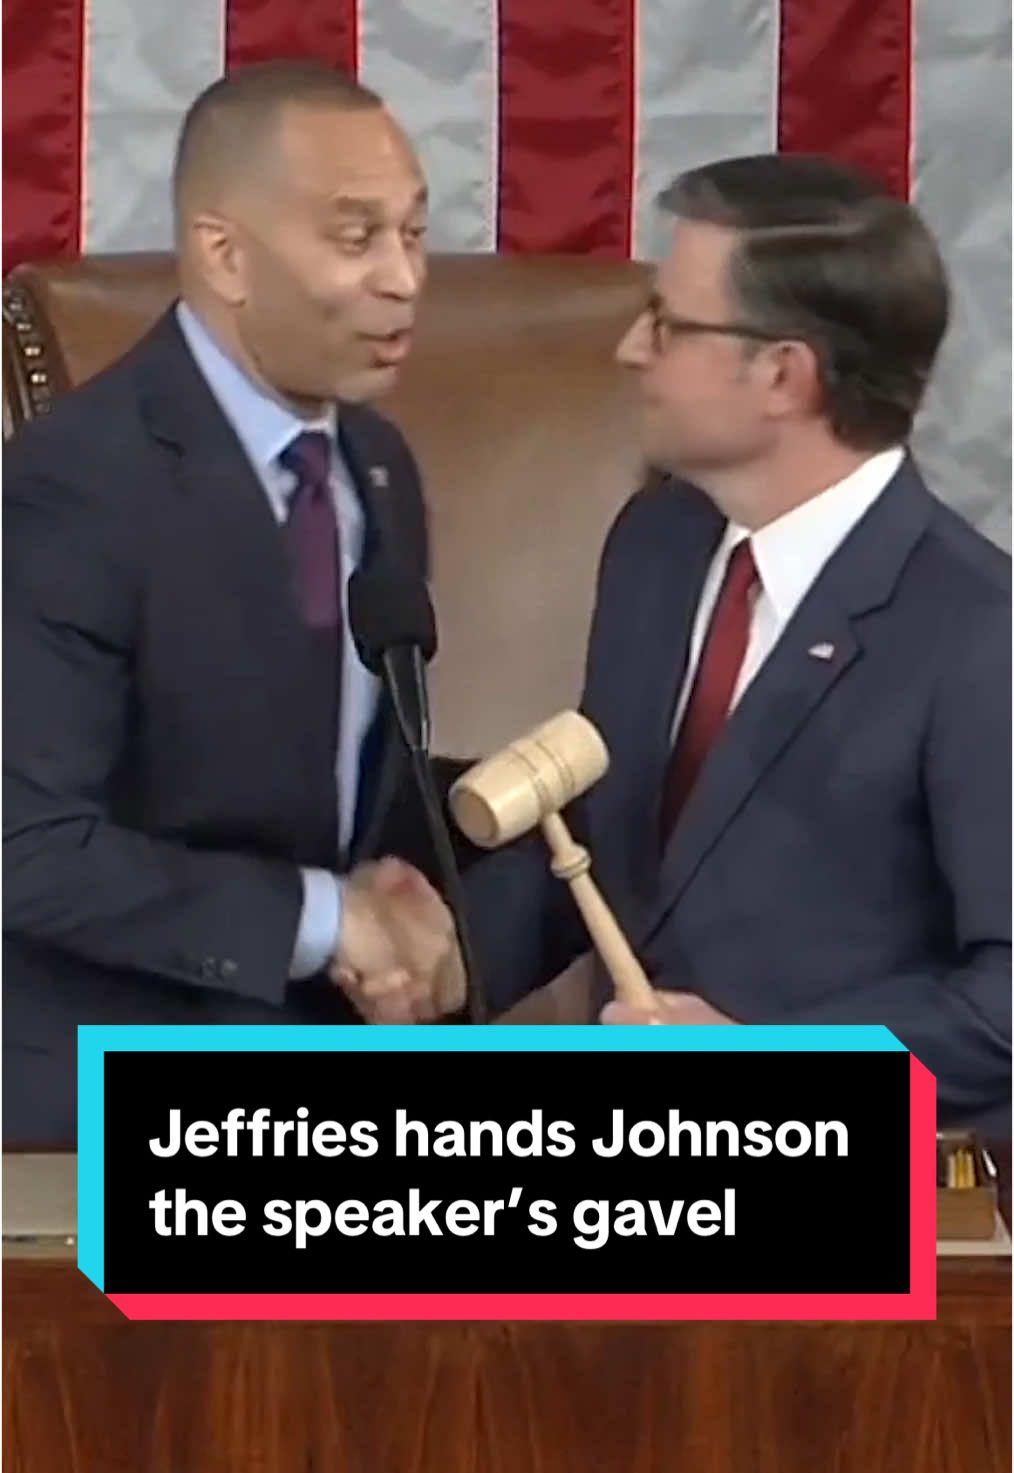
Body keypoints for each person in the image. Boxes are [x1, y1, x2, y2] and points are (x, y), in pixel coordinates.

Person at [393, 154, 1011, 1135]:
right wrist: (448, 957)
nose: (632, 347)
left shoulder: (979, 635)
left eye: (669, 323)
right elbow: (599, 838)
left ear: (782, 374)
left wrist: (769, 1071)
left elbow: (1006, 1006)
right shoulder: (659, 543)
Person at [3, 61, 463, 1147]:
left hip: (333, 1066)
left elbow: (333, 782)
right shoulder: (76, 487)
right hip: (105, 1091)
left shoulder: (378, 466)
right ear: (225, 254)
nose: (403, 280)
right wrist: (324, 918)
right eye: (356, 240)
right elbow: (26, 845)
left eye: (414, 233)